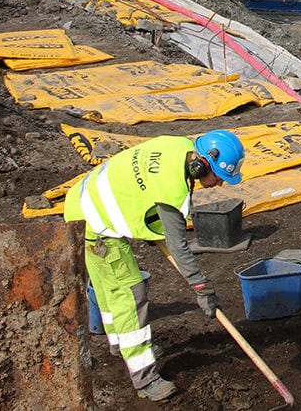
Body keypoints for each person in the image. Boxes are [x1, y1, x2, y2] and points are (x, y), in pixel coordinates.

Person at [63, 131, 245, 401]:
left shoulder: (178, 146)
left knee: (107, 287)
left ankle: (120, 345)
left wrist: (151, 229)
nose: (219, 184)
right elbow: (178, 245)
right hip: (95, 224)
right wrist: (202, 288)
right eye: (218, 176)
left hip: (80, 202)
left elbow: (144, 188)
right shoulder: (173, 186)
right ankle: (145, 378)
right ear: (201, 166)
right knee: (128, 294)